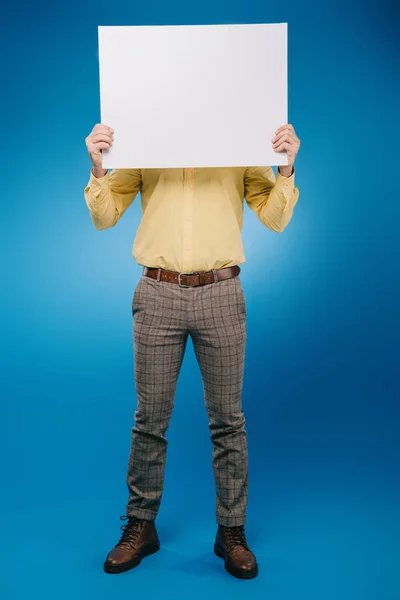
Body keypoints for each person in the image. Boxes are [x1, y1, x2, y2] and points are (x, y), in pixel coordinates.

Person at [83, 123, 300, 579]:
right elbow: (105, 216)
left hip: (221, 291)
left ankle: (231, 530)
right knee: (150, 419)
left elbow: (274, 217)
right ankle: (141, 525)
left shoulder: (238, 141)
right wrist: (99, 167)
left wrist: (286, 169)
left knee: (228, 420)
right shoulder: (146, 140)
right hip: (158, 290)